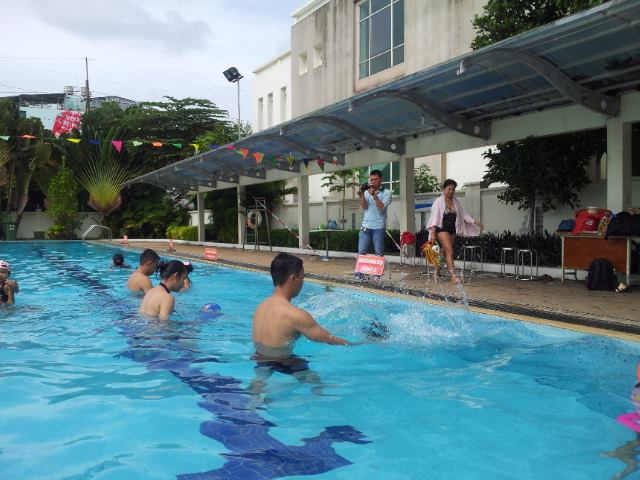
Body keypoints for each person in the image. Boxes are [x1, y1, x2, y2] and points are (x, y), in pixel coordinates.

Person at [426, 179, 483, 284]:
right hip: (441, 229)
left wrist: (474, 221)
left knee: (444, 252)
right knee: (449, 251)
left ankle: (436, 272)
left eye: (453, 189)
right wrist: (433, 233)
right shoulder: (438, 202)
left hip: (452, 230)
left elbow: (463, 214)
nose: (451, 191)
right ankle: (453, 276)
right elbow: (434, 218)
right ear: (444, 189)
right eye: (449, 189)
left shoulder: (455, 201)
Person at [358, 169, 392, 257]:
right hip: (365, 226)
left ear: (381, 179)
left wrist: (374, 196)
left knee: (379, 254)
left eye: (375, 179)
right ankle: (360, 267)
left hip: (378, 227)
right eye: (371, 179)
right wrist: (361, 194)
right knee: (361, 252)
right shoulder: (367, 192)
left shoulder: (387, 193)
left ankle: (378, 267)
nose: (373, 182)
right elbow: (364, 207)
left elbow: (382, 208)